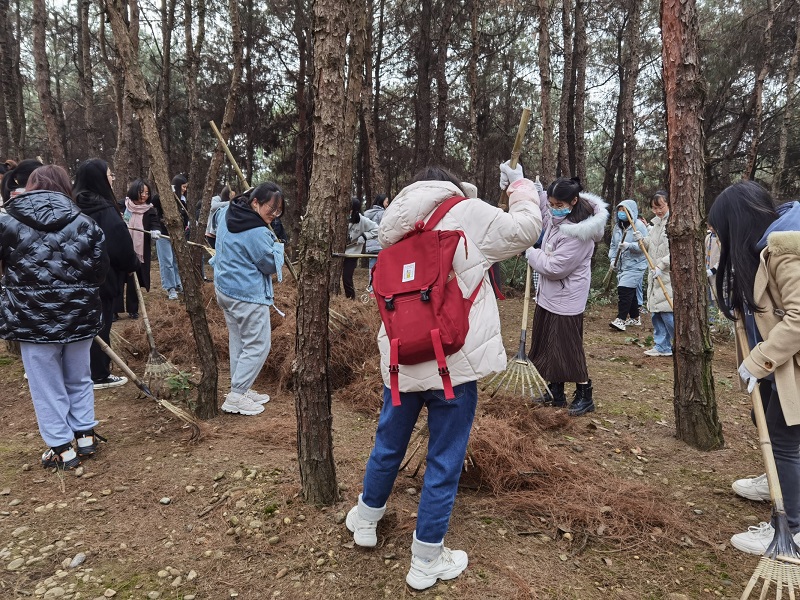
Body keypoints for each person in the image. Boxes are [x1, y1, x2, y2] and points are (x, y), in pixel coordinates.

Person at [345, 163, 542, 591]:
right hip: (452, 362)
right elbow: (527, 229)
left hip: (400, 357)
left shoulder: (392, 226)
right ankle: (425, 560)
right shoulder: (467, 211)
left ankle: (365, 519)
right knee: (444, 458)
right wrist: (520, 187)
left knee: (388, 442)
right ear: (451, 184)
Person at [707, 180, 800, 555]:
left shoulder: (786, 250)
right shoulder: (762, 248)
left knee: (785, 436)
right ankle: (777, 478)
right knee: (769, 425)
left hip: (787, 361)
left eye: (720, 230)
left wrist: (759, 361)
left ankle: (792, 528)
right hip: (781, 364)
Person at [0, 165, 109, 469]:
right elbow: (100, 271)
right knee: (79, 375)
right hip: (79, 313)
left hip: (30, 316)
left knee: (45, 383)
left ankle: (62, 447)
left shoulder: (6, 222)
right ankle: (84, 435)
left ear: (31, 186)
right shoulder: (86, 223)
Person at [526, 177, 609, 416]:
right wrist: (524, 184)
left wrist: (530, 253)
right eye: (552, 202)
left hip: (566, 297)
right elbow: (542, 207)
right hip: (549, 295)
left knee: (567, 348)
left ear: (573, 201)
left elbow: (555, 268)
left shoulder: (580, 233)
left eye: (558, 203)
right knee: (548, 345)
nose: (553, 207)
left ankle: (585, 394)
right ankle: (555, 391)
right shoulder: (557, 216)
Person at [210, 183, 285, 416]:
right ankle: (236, 397)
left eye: (278, 211)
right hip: (246, 294)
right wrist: (278, 247)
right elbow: (268, 264)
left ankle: (241, 387)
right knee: (258, 344)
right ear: (255, 203)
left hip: (225, 288)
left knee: (239, 342)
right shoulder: (257, 231)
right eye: (271, 209)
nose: (274, 215)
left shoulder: (227, 212)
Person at [74, 158, 139, 389]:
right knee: (101, 325)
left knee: (83, 325)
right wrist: (132, 263)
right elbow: (119, 244)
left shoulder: (73, 205)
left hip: (75, 279)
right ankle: (99, 374)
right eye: (109, 174)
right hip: (102, 278)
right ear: (99, 179)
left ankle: (84, 370)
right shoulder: (103, 209)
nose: (112, 178)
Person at [638, 190, 674, 357]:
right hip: (654, 274)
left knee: (668, 313)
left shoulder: (672, 224)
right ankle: (662, 346)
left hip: (667, 275)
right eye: (654, 208)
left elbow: (676, 251)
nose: (658, 211)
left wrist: (662, 265)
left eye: (661, 206)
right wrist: (641, 239)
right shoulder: (655, 226)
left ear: (668, 204)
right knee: (656, 314)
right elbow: (649, 246)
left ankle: (677, 344)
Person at [118, 179, 159, 319]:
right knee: (118, 278)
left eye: (147, 193)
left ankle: (133, 309)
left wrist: (155, 231)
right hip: (121, 247)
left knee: (133, 279)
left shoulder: (149, 210)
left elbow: (155, 223)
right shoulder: (121, 205)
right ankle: (114, 310)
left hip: (139, 250)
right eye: (142, 192)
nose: (144, 196)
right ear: (134, 190)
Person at [608, 199, 649, 331]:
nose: (621, 213)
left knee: (624, 289)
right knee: (629, 290)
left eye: (624, 210)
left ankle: (621, 319)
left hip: (636, 264)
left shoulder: (639, 226)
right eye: (619, 210)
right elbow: (613, 245)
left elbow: (645, 246)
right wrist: (612, 259)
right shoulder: (617, 226)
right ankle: (635, 318)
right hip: (622, 264)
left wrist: (629, 246)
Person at [150, 174, 188, 299]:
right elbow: (152, 204)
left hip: (177, 235)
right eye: (183, 187)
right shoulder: (163, 197)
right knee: (167, 261)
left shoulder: (183, 199)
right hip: (163, 234)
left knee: (176, 261)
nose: (184, 189)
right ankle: (170, 287)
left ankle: (178, 283)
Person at [342, 197, 378, 299]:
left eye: (351, 209)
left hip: (352, 253)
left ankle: (351, 299)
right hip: (338, 252)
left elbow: (377, 229)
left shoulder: (363, 220)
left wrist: (365, 236)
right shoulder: (340, 217)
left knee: (347, 277)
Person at [363, 194, 389, 291]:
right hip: (381, 244)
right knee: (383, 267)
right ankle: (381, 288)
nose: (388, 204)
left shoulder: (368, 213)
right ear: (382, 202)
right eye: (386, 201)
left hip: (370, 245)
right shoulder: (383, 214)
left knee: (372, 267)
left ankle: (371, 288)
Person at [205, 185, 233, 250]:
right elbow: (213, 207)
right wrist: (230, 202)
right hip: (211, 234)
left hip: (220, 235)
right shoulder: (216, 199)